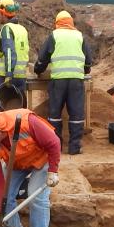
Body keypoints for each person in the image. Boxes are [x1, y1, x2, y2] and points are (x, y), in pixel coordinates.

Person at [0, 107, 60, 227]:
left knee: (36, 196)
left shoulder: (26, 121)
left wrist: (53, 171)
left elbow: (54, 142)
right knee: (4, 199)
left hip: (41, 159)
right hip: (16, 164)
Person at [33, 9, 94, 156]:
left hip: (58, 81)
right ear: (71, 23)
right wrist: (84, 71)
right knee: (76, 114)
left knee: (54, 114)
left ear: (57, 24)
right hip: (76, 81)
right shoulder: (80, 36)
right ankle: (74, 147)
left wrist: (38, 70)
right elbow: (88, 61)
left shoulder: (54, 36)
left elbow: (42, 58)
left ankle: (56, 146)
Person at [0, 0, 29, 110]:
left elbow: (10, 51)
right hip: (21, 78)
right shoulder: (22, 29)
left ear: (3, 13)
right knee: (18, 111)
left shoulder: (7, 29)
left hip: (5, 77)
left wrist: (9, 74)